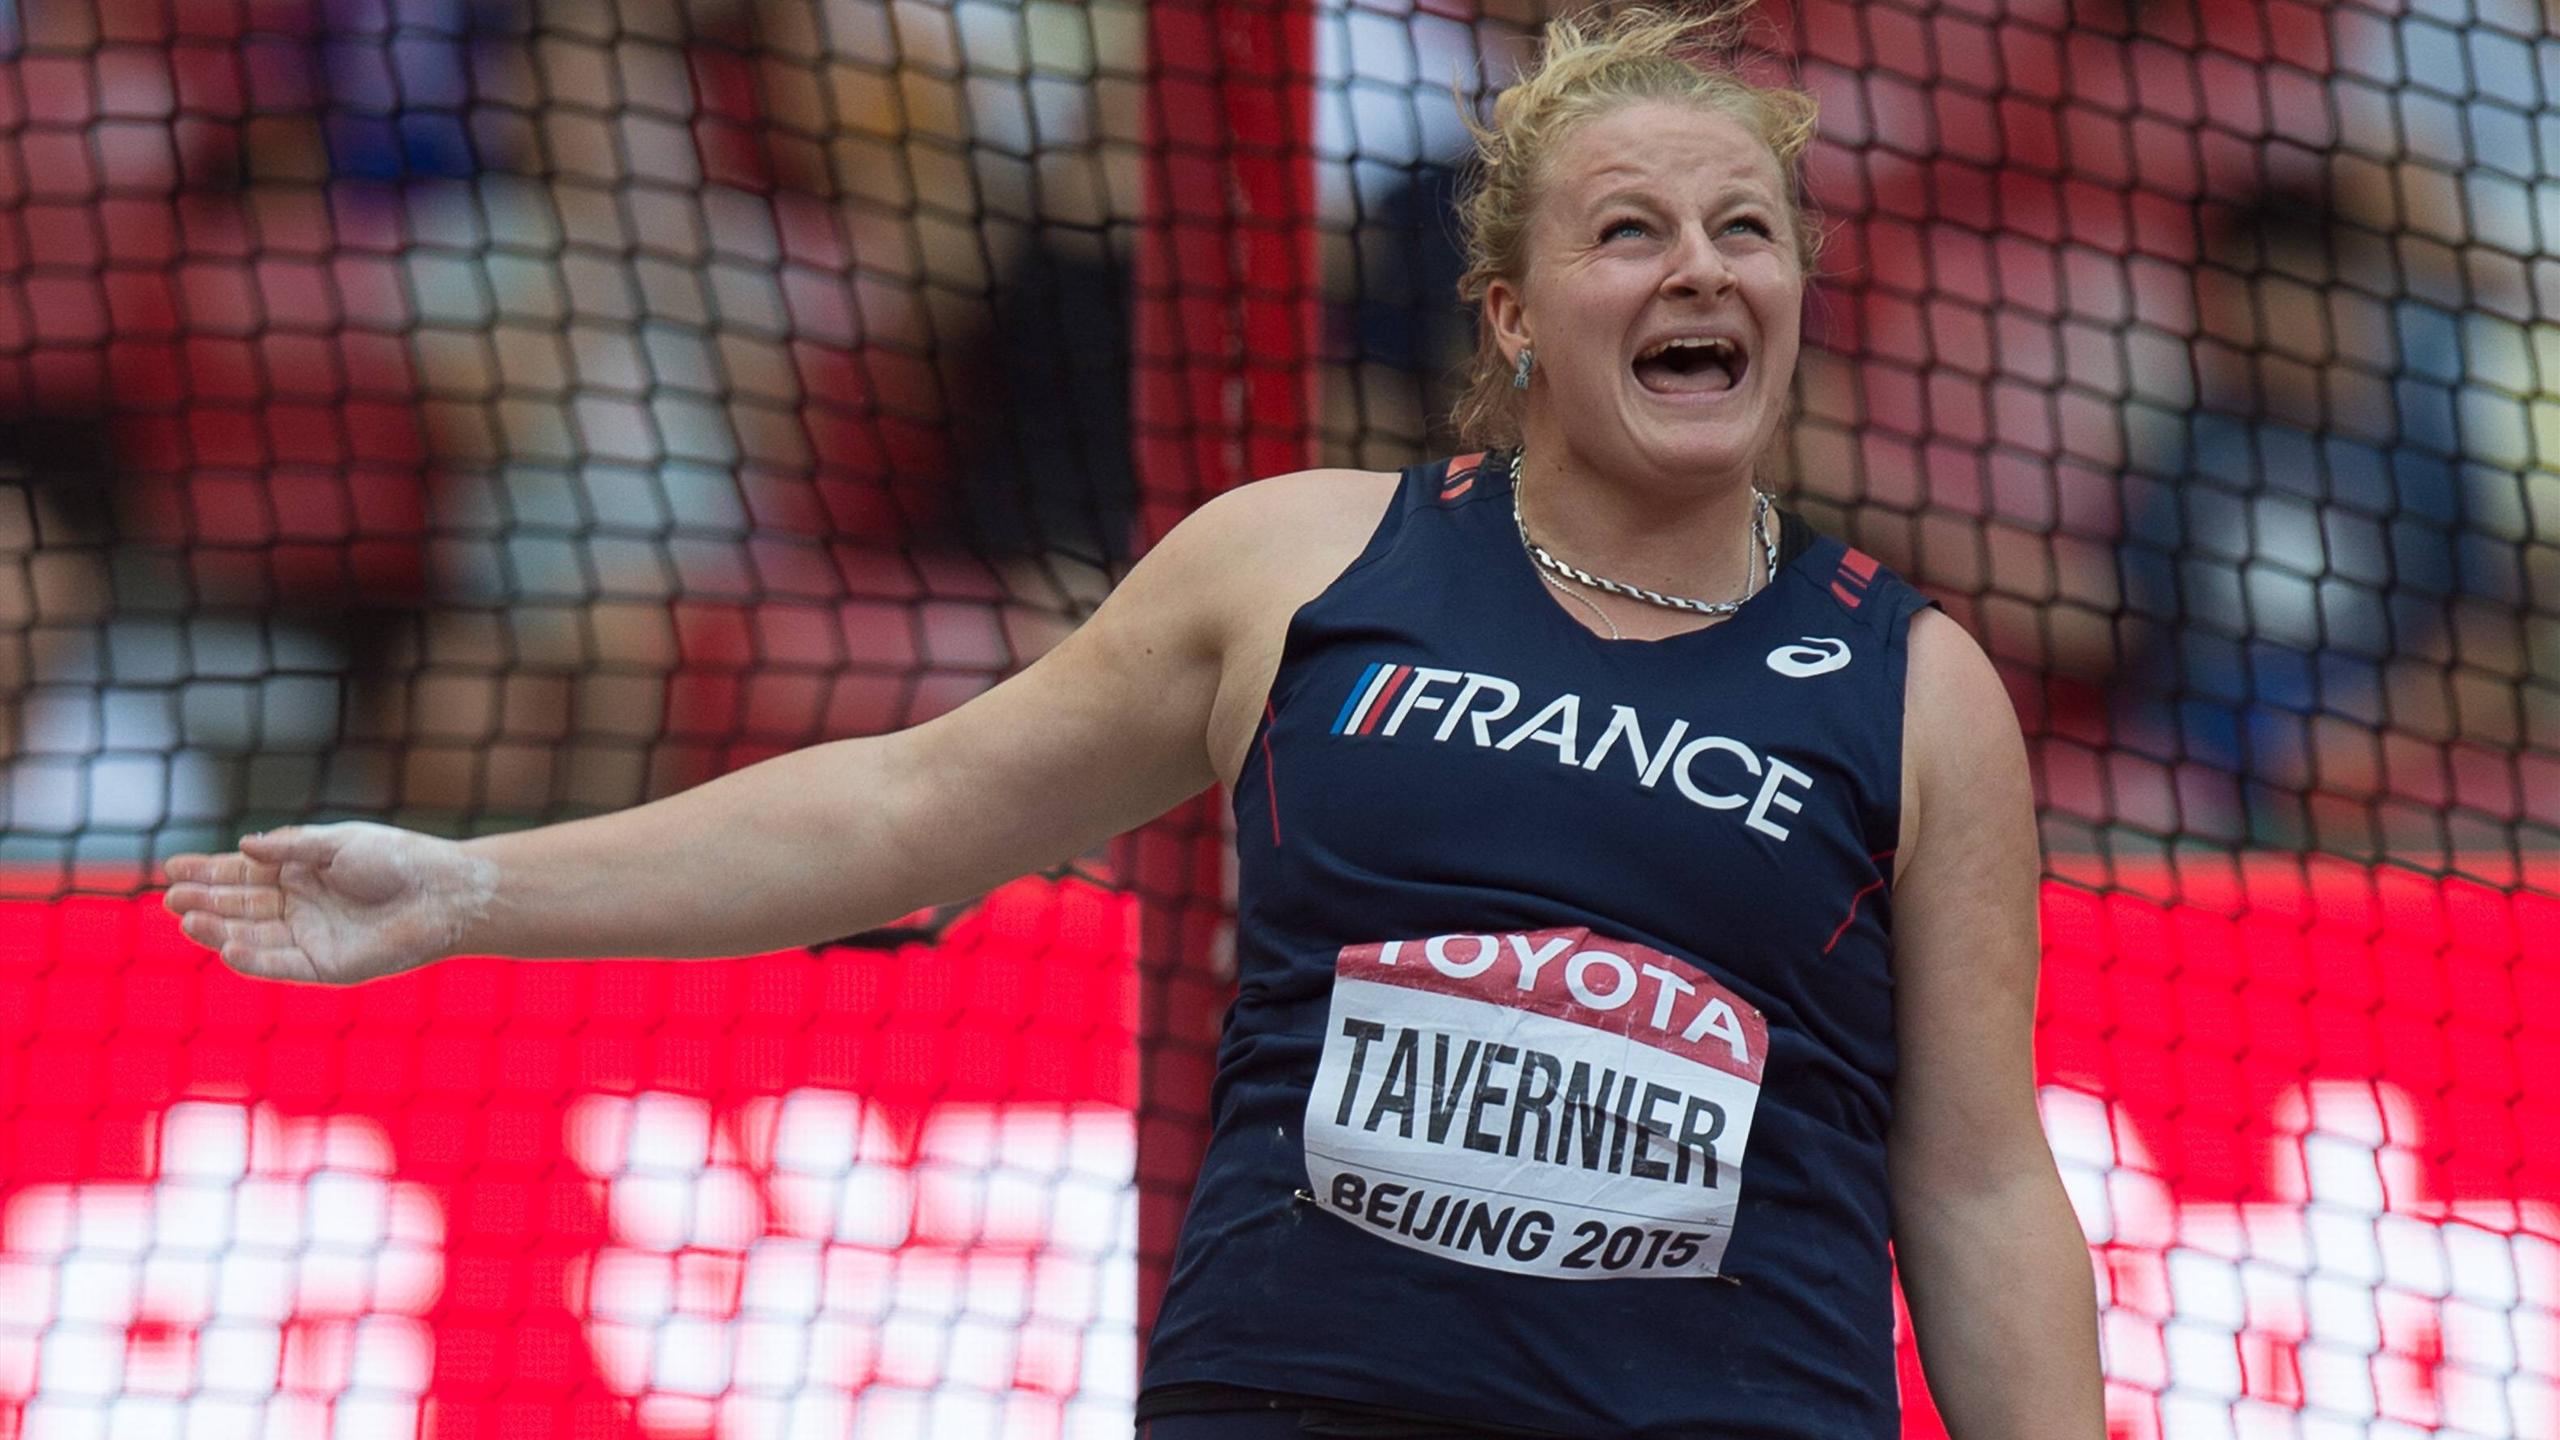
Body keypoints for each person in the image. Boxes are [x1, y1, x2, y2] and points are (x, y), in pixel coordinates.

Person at [161, 6, 2104, 1436]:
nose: (1697, 266)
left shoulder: (1912, 688)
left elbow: (1974, 1176)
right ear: (1509, 314)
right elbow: (908, 810)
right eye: (1627, 232)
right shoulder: (1296, 563)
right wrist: (472, 888)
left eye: (1742, 229)